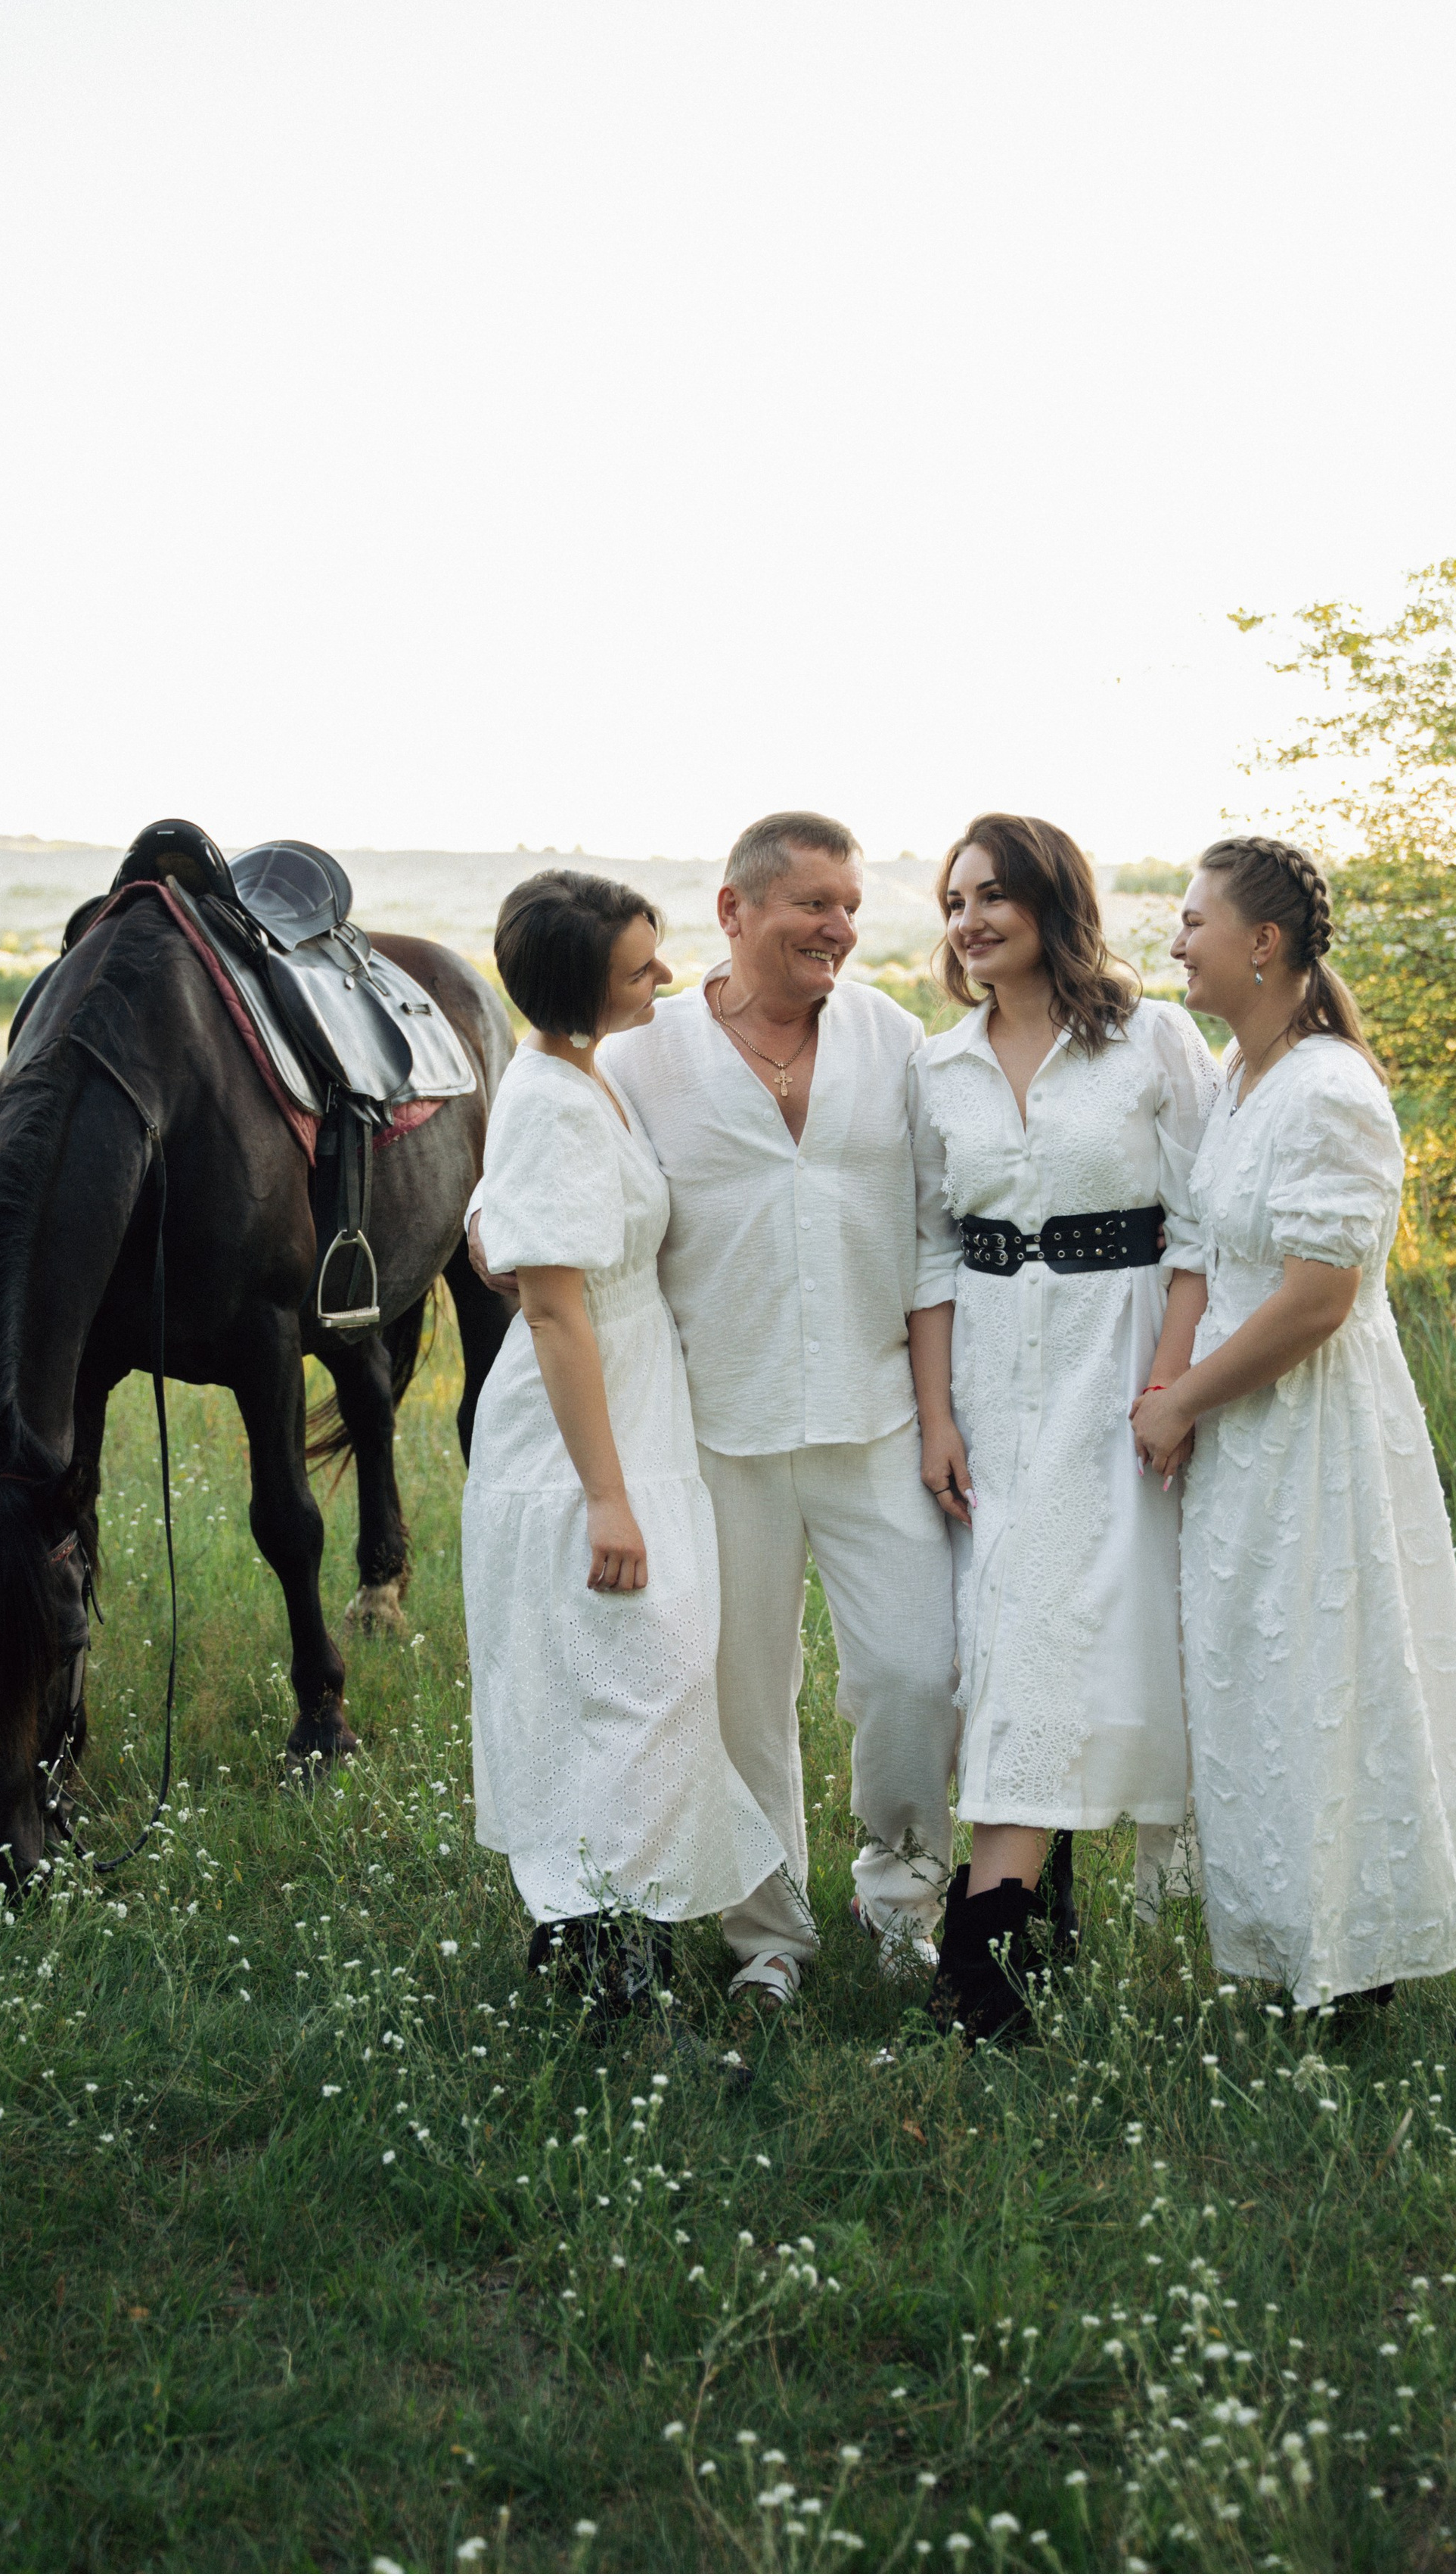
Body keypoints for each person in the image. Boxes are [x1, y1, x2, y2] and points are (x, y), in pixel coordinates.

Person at [475, 812, 960, 2012]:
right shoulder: (645, 1051)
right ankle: (771, 1941)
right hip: (711, 1432)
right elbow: (523, 1191)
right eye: (814, 904)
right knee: (740, 1703)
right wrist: (500, 1243)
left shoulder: (892, 1040)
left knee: (917, 1676)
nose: (839, 928)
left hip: (876, 1419)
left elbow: (937, 1227)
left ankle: (903, 1902)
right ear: (737, 911)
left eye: (851, 905)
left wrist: (942, 1412)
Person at [1129, 837, 1456, 2029]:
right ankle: (1333, 1947)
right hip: (1243, 1431)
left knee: (1352, 1680)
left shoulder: (1330, 1089)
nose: (1177, 940)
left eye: (1195, 920)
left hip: (1320, 1430)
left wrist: (1184, 1401)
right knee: (1270, 1688)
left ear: (1263, 943)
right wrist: (1175, 1388)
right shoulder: (1237, 1076)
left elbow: (1318, 1298)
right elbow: (1211, 1253)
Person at [908, 814, 1219, 2041]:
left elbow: (1200, 1230)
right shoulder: (939, 1067)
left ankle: (986, 1944)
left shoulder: (1152, 1039)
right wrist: (936, 1415)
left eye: (992, 895)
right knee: (1008, 1634)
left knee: (1073, 1633)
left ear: (1050, 901)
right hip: (990, 1373)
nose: (969, 921)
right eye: (954, 902)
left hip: (1118, 1359)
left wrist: (1170, 1387)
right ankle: (1006, 1933)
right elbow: (929, 1254)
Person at [461, 869, 788, 2025]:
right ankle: (613, 1970)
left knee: (629, 1684)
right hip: (582, 1440)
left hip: (639, 1407)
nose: (666, 975)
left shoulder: (583, 1073)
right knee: (641, 1683)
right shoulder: (552, 1100)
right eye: (640, 967)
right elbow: (554, 1310)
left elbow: (510, 1222)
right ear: (578, 987)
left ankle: (590, 1929)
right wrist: (607, 1497)